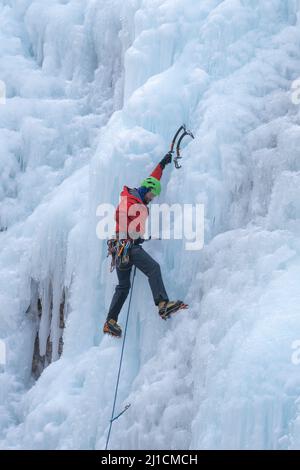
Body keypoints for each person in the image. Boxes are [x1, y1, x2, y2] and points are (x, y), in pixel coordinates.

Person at [103, 152, 186, 337]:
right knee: (153, 269)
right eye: (152, 194)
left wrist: (162, 165)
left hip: (120, 249)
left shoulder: (138, 196)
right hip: (126, 246)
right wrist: (130, 236)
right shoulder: (131, 200)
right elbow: (119, 215)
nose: (152, 198)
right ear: (146, 190)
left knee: (123, 287)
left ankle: (110, 322)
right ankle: (163, 305)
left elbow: (152, 179)